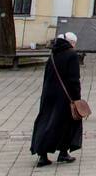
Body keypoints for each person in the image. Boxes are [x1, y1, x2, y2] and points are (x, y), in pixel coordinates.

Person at [30, 32, 83, 167]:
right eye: (74, 43)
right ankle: (63, 153)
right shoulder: (72, 55)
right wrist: (77, 97)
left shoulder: (53, 54)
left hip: (49, 94)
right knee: (66, 124)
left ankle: (42, 154)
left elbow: (47, 75)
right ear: (71, 42)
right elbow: (73, 79)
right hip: (65, 96)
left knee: (46, 121)